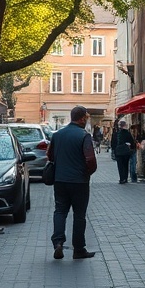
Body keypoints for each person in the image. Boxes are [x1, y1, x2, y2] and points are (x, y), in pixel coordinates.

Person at [48, 105, 98, 260]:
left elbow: (50, 155)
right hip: (79, 182)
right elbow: (90, 159)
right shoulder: (84, 136)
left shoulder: (58, 135)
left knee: (60, 211)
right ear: (82, 118)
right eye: (87, 118)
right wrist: (87, 173)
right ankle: (78, 249)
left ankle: (58, 242)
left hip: (60, 180)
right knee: (79, 215)